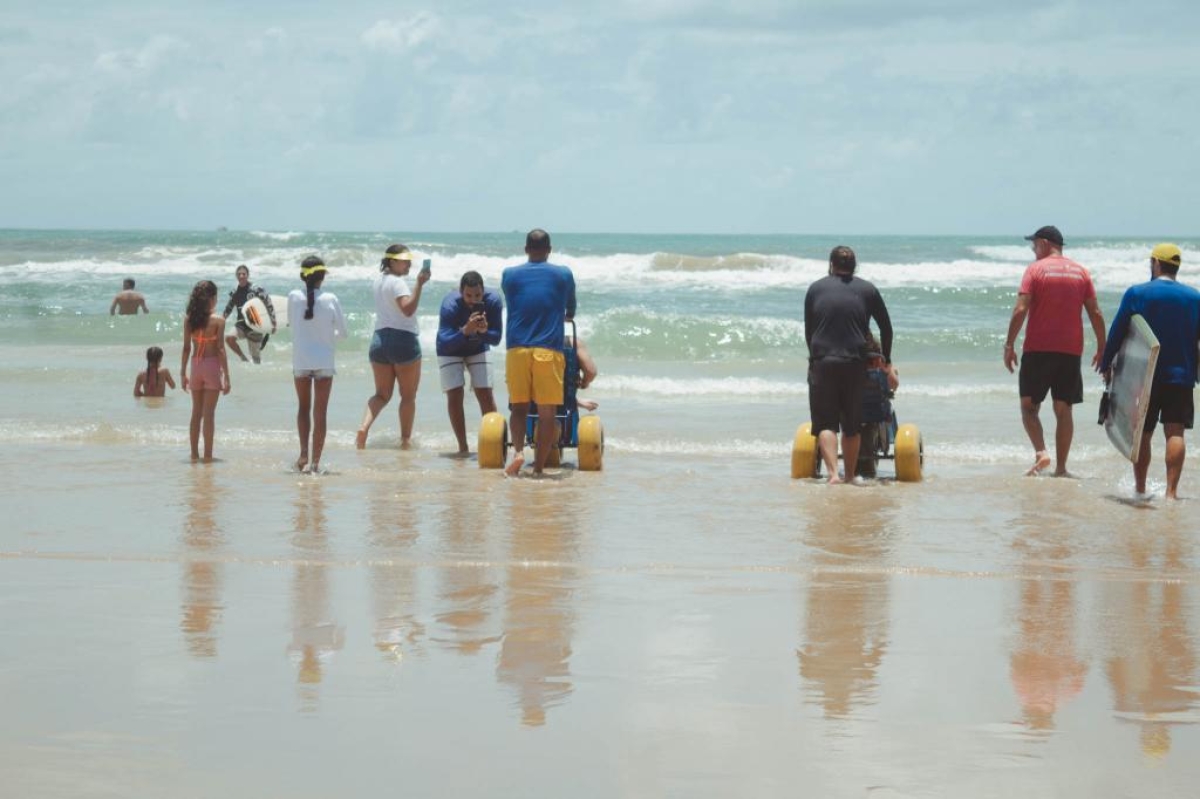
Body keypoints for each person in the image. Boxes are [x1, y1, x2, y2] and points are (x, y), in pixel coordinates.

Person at [1098, 244, 1200, 500]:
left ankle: (1141, 489)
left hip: (1144, 374)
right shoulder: (1195, 298)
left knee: (1143, 432)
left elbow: (1119, 331)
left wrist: (1106, 363)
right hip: (1181, 375)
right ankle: (1171, 493)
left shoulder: (1138, 293)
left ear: (1155, 263)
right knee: (1175, 432)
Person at [1003, 225, 1106, 477]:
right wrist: (1102, 347)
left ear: (1044, 243)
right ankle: (1061, 469)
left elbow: (1020, 310)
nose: (1033, 250)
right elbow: (1095, 312)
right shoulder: (1081, 272)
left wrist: (1009, 344)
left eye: (1034, 245)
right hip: (1070, 352)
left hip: (1038, 349)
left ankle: (1041, 452)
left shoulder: (1035, 270)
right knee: (1064, 409)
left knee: (1028, 407)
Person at [803, 245, 895, 484]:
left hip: (823, 362)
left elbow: (809, 331)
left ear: (831, 265)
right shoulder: (868, 289)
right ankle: (851, 475)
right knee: (852, 425)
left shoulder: (815, 289)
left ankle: (833, 474)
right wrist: (887, 360)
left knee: (825, 423)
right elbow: (886, 328)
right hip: (855, 363)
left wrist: (813, 359)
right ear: (854, 266)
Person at [501, 229, 577, 476]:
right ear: (549, 249)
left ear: (526, 249)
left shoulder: (509, 275)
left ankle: (519, 452)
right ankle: (539, 469)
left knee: (518, 408)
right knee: (547, 413)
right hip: (548, 349)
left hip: (517, 349)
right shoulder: (563, 274)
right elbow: (570, 310)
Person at [357, 244, 430, 449]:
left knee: (381, 394)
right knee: (408, 396)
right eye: (404, 260)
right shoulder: (398, 284)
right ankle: (405, 440)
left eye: (409, 260)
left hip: (379, 340)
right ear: (391, 261)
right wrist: (419, 284)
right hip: (403, 340)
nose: (409, 264)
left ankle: (363, 428)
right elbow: (407, 310)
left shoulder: (378, 281)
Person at [288, 255, 347, 474]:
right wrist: (327, 335)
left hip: (301, 359)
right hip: (324, 361)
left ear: (303, 276)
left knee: (303, 408)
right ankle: (315, 464)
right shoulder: (331, 299)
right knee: (320, 412)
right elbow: (343, 333)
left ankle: (303, 453)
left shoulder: (293, 296)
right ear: (323, 276)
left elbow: (293, 325)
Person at [436, 270, 503, 455]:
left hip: (478, 347)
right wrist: (465, 331)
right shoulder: (450, 305)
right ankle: (463, 448)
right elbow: (444, 342)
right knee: (455, 394)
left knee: (485, 394)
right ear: (460, 291)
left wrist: (483, 332)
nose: (473, 300)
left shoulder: (494, 301)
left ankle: (493, 445)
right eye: (468, 295)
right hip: (450, 349)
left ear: (484, 291)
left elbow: (496, 339)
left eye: (477, 295)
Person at [180, 281, 231, 461]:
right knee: (209, 414)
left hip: (195, 366)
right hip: (211, 366)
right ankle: (208, 456)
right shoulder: (219, 321)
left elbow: (186, 348)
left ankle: (194, 454)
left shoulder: (189, 320)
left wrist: (182, 373)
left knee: (196, 413)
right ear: (212, 299)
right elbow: (220, 349)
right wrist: (227, 377)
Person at [223, 265, 277, 364]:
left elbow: (268, 303)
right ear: (236, 276)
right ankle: (243, 358)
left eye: (244, 274)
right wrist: (220, 322)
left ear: (247, 275)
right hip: (241, 325)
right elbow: (228, 309)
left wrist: (273, 321)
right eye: (239, 274)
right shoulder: (235, 292)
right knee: (229, 338)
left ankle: (257, 376)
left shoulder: (256, 289)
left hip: (255, 324)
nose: (241, 276)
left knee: (256, 361)